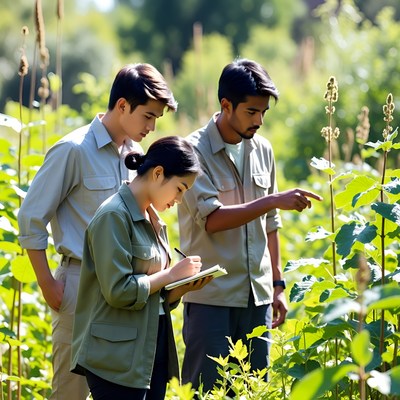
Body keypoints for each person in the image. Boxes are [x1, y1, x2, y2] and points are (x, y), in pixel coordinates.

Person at [17, 63, 177, 400]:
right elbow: (31, 217)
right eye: (148, 116)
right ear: (122, 106)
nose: (152, 126)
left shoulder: (136, 157)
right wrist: (48, 285)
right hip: (80, 288)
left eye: (156, 119)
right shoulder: (73, 150)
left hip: (129, 292)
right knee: (70, 395)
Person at [177, 58, 322, 392]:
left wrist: (278, 285)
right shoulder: (191, 152)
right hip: (210, 298)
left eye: (264, 113)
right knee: (208, 392)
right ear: (226, 105)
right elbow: (212, 220)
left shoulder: (264, 150)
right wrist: (272, 199)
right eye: (251, 112)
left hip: (257, 299)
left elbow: (271, 224)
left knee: (254, 391)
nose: (259, 121)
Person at [71, 136, 211, 400]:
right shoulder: (114, 215)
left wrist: (180, 288)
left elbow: (154, 296)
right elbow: (119, 291)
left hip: (148, 353)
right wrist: (170, 274)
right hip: (116, 359)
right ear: (158, 173)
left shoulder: (154, 218)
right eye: (180, 189)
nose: (179, 200)